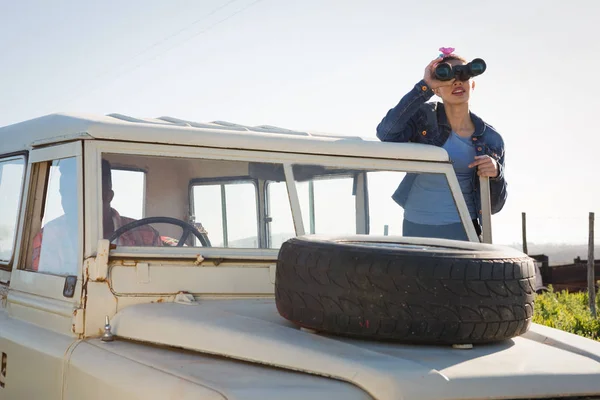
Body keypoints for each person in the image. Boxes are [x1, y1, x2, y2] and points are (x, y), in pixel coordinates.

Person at [376, 47, 507, 241]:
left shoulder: (491, 138)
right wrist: (424, 86)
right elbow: (386, 133)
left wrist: (496, 173)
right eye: (448, 77)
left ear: (473, 85)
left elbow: (494, 206)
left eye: (464, 75)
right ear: (436, 90)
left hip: (463, 225)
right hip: (417, 223)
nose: (457, 81)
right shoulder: (423, 118)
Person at [32, 158, 162, 274]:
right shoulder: (49, 237)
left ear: (107, 196)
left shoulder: (147, 236)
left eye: (78, 194)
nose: (68, 202)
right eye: (65, 194)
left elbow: (160, 282)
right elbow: (49, 288)